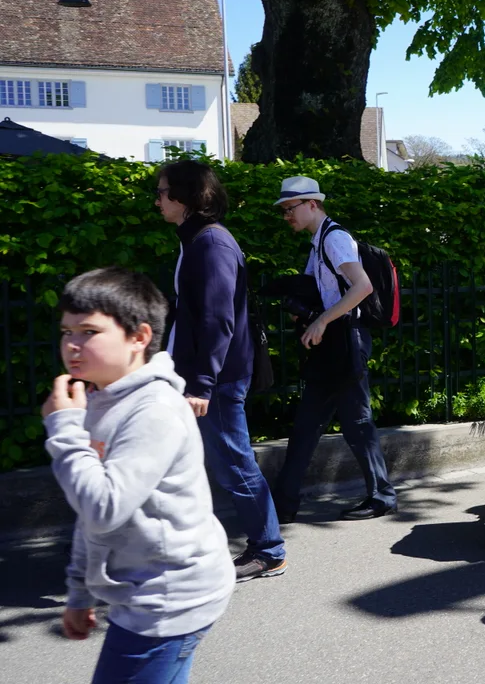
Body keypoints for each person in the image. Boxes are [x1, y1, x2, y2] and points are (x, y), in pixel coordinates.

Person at [42, 268, 234, 683]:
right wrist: (79, 591)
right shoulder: (97, 400)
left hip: (168, 601)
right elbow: (89, 510)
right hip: (147, 595)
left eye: (89, 331)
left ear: (139, 337)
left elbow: (103, 507)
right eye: (66, 331)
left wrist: (64, 430)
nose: (72, 345)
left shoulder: (154, 410)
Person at [156, 161, 287, 582]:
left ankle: (269, 549)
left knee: (233, 462)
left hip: (215, 378)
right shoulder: (196, 240)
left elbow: (218, 321)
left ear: (184, 196)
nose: (157, 200)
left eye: (161, 192)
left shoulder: (211, 244)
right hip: (195, 374)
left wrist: (202, 384)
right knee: (182, 459)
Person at [273, 176, 397, 522]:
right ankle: (283, 504)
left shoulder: (335, 238)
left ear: (312, 204)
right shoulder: (318, 242)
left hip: (346, 338)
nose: (287, 216)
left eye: (290, 209)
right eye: (283, 211)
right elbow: (324, 291)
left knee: (357, 422)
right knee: (307, 425)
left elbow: (362, 287)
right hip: (333, 342)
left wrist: (322, 321)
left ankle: (382, 495)